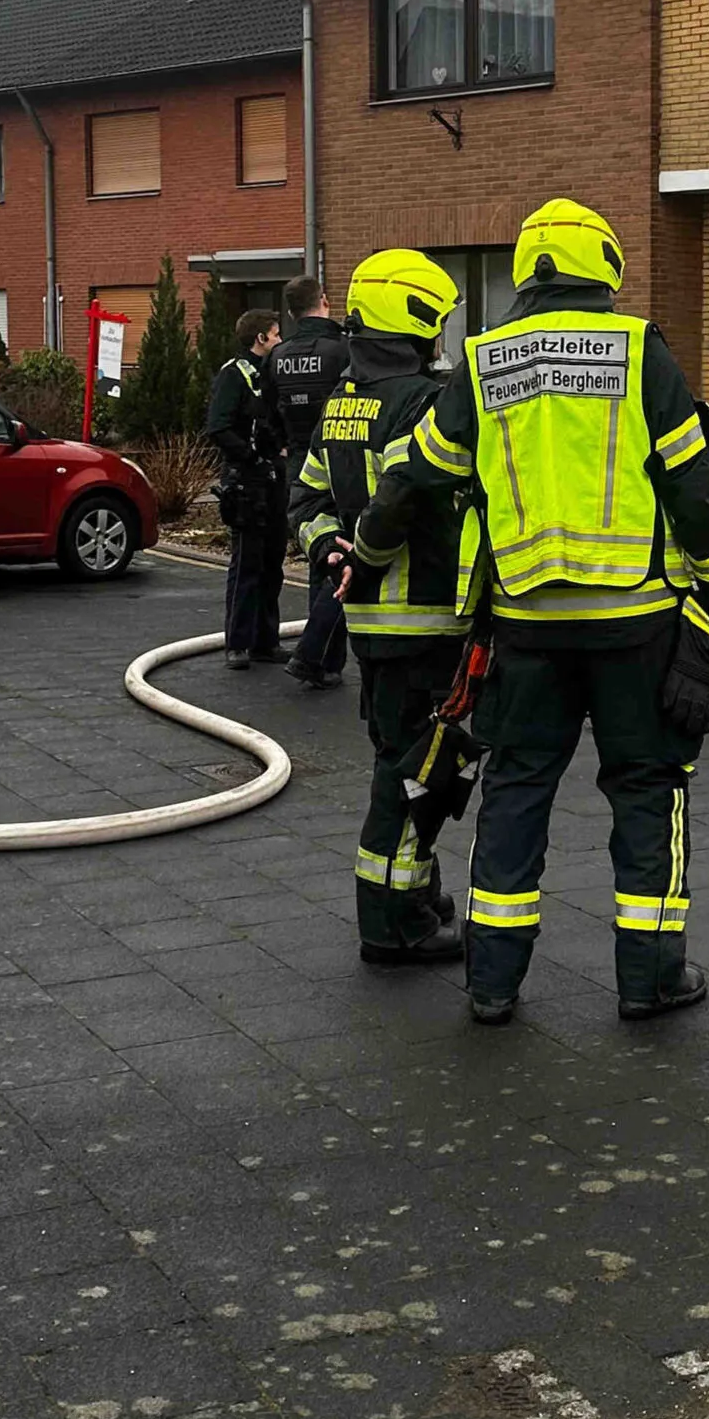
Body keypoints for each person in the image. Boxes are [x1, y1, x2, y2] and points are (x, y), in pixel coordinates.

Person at [356, 199, 709, 1025]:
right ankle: (649, 980)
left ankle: (493, 984)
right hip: (638, 627)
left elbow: (420, 472)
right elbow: (692, 491)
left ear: (527, 270)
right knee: (648, 791)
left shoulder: (484, 358)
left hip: (527, 630)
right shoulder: (641, 349)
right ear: (603, 268)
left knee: (515, 791)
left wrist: (365, 548)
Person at [291, 250, 472, 965]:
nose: (442, 338)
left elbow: (304, 498)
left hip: (370, 624)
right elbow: (411, 496)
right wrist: (362, 550)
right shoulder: (420, 401)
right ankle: (393, 924)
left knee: (409, 758)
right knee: (419, 769)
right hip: (425, 618)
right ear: (416, 320)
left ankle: (416, 891)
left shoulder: (344, 400)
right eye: (439, 323)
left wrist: (328, 547)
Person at [267, 276, 353, 690]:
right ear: (323, 300)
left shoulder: (278, 355)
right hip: (337, 459)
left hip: (297, 464)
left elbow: (267, 413)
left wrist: (283, 447)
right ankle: (318, 656)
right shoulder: (342, 349)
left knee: (319, 551)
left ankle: (319, 658)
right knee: (341, 555)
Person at [203, 307, 288, 670]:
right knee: (247, 564)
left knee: (273, 564)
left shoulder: (271, 375)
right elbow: (218, 427)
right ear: (261, 338)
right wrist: (252, 455)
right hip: (247, 480)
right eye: (276, 334)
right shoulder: (233, 375)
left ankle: (266, 642)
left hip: (274, 478)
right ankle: (238, 643)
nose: (280, 340)